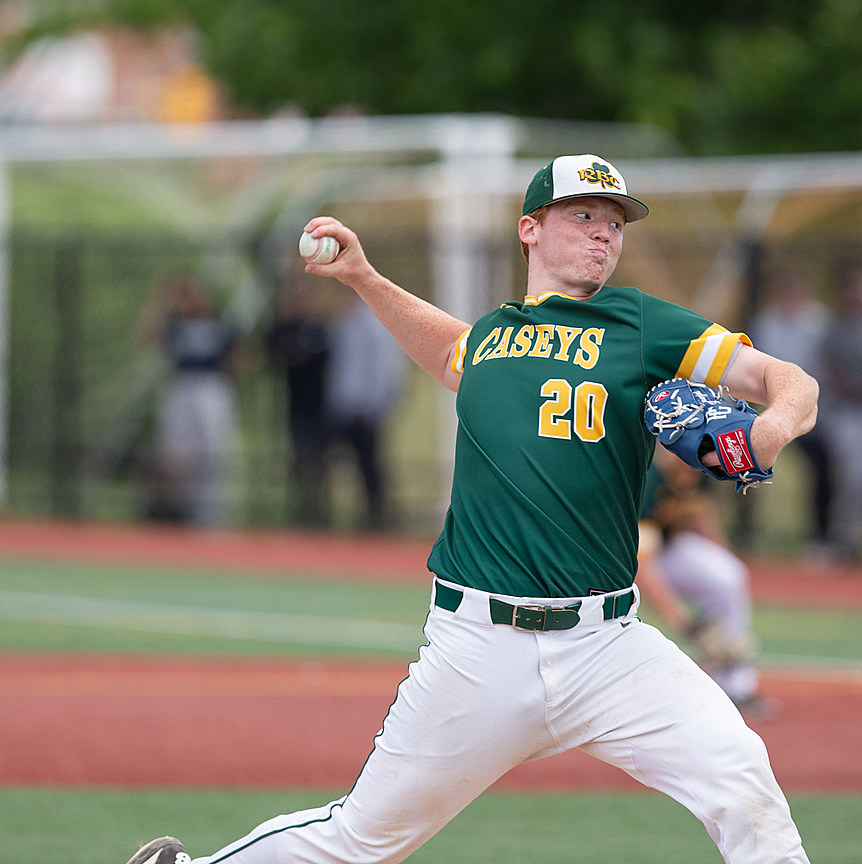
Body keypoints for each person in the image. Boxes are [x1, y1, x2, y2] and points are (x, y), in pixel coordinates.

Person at [126, 154, 818, 864]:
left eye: (614, 223)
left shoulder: (640, 325)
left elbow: (785, 378)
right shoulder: (494, 333)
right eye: (583, 215)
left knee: (743, 782)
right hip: (479, 649)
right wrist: (364, 277)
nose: (603, 234)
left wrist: (770, 427)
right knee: (362, 840)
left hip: (609, 646)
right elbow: (451, 351)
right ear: (530, 228)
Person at [636, 447, 773, 716]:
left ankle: (734, 686)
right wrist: (687, 624)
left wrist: (727, 557)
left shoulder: (700, 469)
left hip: (666, 548)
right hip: (622, 559)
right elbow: (642, 562)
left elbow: (702, 515)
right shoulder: (649, 480)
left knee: (728, 576)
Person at [136, 276, 242, 528]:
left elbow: (243, 355)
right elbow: (145, 334)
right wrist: (163, 303)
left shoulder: (221, 325)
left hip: (212, 388)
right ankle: (178, 515)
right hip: (181, 387)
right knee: (177, 455)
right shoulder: (175, 326)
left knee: (214, 454)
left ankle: (212, 520)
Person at [749, 269, 835, 555]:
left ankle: (821, 536)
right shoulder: (766, 322)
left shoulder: (820, 322)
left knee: (823, 466)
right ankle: (748, 528)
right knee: (745, 458)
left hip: (812, 408)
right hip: (769, 405)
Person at [819, 265, 862, 560]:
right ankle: (843, 538)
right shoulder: (837, 327)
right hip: (846, 412)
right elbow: (832, 368)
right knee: (853, 476)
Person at [325, 292, 407, 532]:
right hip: (345, 407)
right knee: (340, 463)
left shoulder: (375, 324)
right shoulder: (345, 322)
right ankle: (340, 515)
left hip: (366, 409)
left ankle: (378, 518)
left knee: (371, 466)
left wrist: (379, 406)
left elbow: (386, 369)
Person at [265, 280, 332, 528]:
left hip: (322, 407)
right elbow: (274, 352)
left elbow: (319, 358)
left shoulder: (319, 329)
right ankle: (301, 514)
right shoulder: (283, 328)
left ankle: (321, 515)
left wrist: (298, 353)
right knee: (298, 461)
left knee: (321, 463)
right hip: (295, 406)